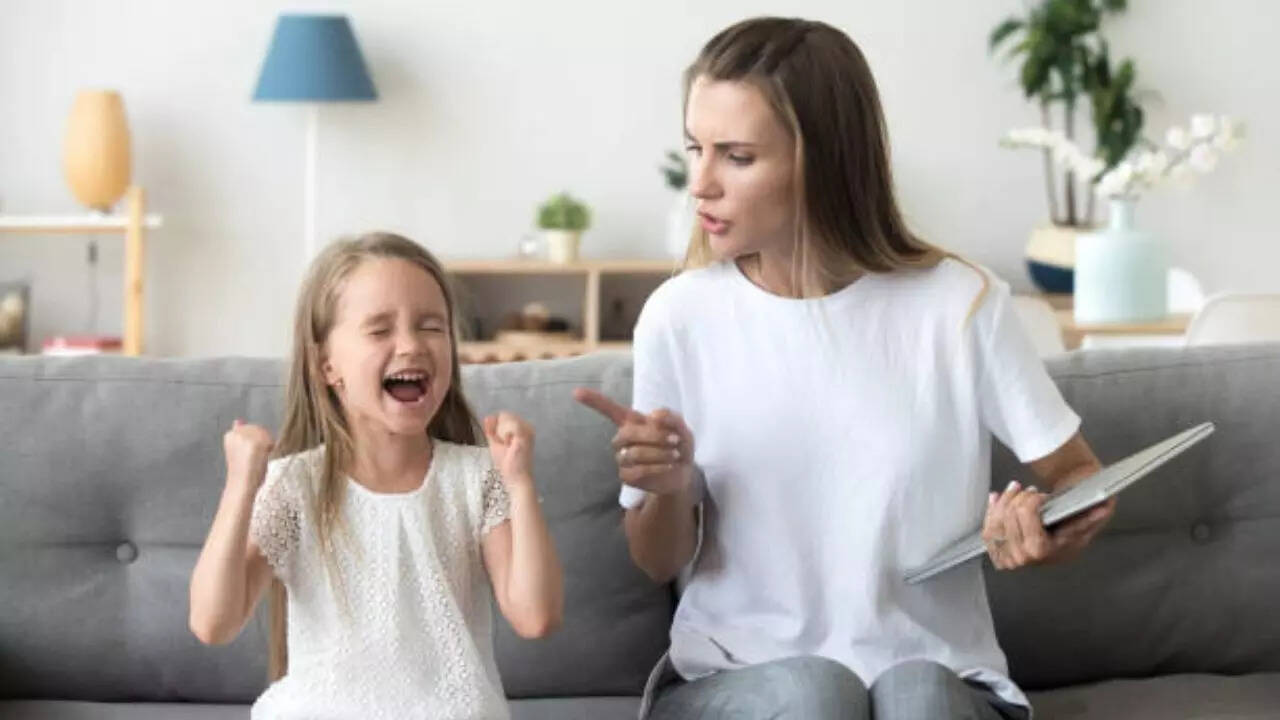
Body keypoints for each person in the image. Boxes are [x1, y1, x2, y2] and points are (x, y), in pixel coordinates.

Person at [575, 17, 1113, 720]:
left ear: (823, 161)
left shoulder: (961, 303)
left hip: (941, 679)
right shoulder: (680, 317)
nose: (700, 184)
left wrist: (1040, 525)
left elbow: (1082, 481)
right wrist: (668, 487)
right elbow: (656, 560)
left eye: (737, 157)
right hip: (737, 682)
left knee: (919, 694)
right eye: (695, 149)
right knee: (814, 694)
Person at [189, 232, 563, 719]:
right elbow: (213, 623)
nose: (411, 345)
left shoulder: (477, 479)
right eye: (379, 329)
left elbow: (536, 617)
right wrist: (241, 486)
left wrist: (520, 484)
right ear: (327, 366)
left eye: (431, 326)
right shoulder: (295, 486)